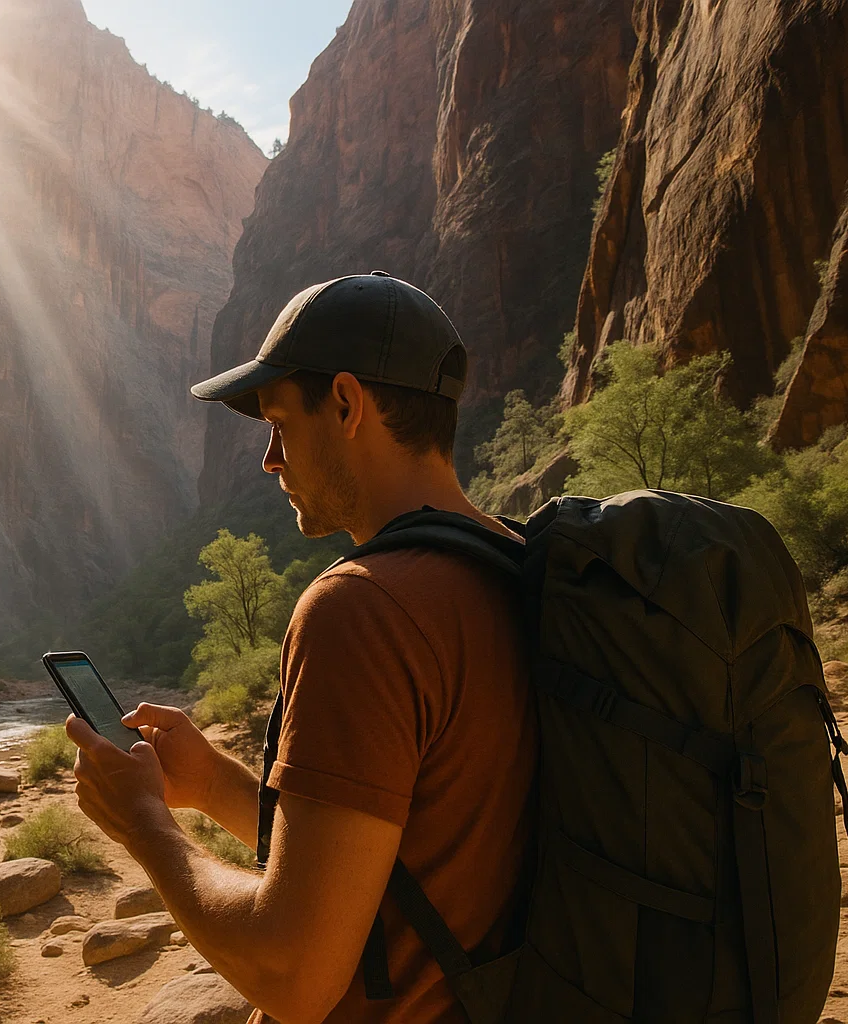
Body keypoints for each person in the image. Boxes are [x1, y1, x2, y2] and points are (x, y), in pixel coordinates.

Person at [65, 273, 537, 1024]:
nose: (269, 460)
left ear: (347, 404)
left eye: (280, 424)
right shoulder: (519, 565)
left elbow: (293, 972)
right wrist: (216, 785)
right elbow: (406, 856)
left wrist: (145, 823)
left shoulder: (361, 609)